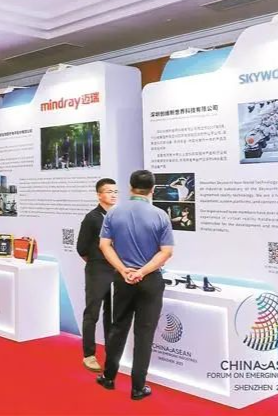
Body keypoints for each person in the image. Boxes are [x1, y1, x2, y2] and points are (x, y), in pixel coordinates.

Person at [96, 170, 174, 401]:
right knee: (144, 334)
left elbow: (104, 245)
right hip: (149, 280)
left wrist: (123, 270)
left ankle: (108, 377)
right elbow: (166, 252)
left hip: (124, 279)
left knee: (118, 328)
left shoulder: (114, 212)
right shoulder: (160, 215)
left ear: (130, 187)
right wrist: (142, 272)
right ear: (152, 189)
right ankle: (138, 388)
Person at [77, 178, 118, 372]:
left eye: (115, 191)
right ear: (99, 195)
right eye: (109, 191)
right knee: (92, 312)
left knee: (112, 313)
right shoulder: (92, 218)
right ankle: (89, 354)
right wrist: (96, 261)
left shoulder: (117, 216)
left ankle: (112, 351)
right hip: (97, 270)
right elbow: (81, 248)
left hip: (116, 270)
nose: (113, 195)